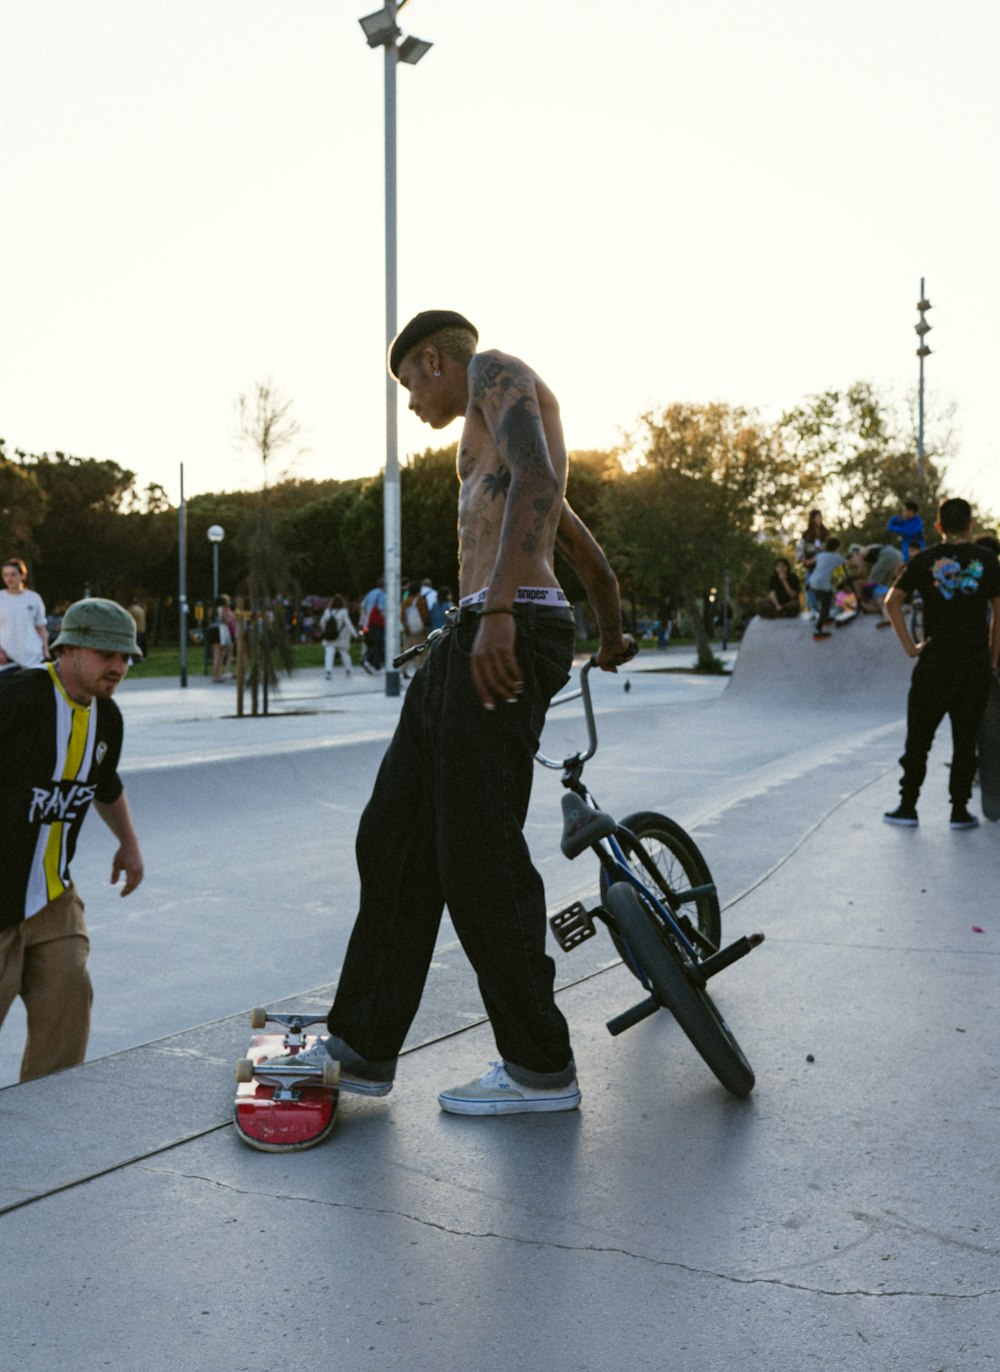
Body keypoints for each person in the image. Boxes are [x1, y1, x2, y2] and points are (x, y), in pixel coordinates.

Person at [267, 308, 633, 1115]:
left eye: (408, 387)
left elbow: (540, 484)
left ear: (434, 360)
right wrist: (609, 623)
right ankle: (362, 1045)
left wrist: (499, 610)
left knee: (476, 849)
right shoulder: (484, 441)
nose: (411, 409)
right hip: (469, 635)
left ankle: (540, 1067)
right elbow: (569, 532)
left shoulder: (496, 374)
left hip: (504, 629)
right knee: (394, 829)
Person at [0, 598, 145, 1081]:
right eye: (108, 654)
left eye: (126, 657)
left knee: (69, 1009)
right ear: (70, 649)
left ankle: (48, 1133)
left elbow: (104, 785)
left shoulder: (108, 717)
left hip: (54, 899)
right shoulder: (19, 697)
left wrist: (129, 845)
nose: (119, 666)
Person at [882, 497, 1000, 830]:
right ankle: (959, 811)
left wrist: (911, 647)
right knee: (966, 741)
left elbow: (892, 602)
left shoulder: (925, 560)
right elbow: (999, 614)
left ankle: (907, 807)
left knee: (918, 739)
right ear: (970, 524)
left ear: (938, 526)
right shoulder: (989, 560)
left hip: (933, 665)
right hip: (974, 665)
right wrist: (991, 658)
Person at [0, 558, 49, 671]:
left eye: (13, 574)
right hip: (7, 661)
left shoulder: (34, 598)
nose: (9, 578)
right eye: (6, 575)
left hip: (33, 658)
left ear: (22, 575)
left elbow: (41, 628)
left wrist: (45, 651)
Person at [808, 537, 845, 639]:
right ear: (837, 547)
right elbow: (848, 563)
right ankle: (817, 629)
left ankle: (826, 617)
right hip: (822, 583)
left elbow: (809, 562)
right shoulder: (837, 557)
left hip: (813, 581)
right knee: (826, 605)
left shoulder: (821, 555)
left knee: (829, 596)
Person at [795, 511, 828, 616]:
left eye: (820, 517)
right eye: (817, 517)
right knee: (810, 586)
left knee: (824, 587)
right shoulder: (806, 535)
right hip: (810, 565)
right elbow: (800, 549)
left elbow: (829, 547)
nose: (819, 519)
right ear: (812, 519)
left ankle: (826, 608)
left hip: (823, 565)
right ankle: (812, 609)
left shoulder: (825, 533)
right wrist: (804, 560)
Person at [320, 595, 358, 679]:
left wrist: (325, 630)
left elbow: (322, 623)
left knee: (329, 654)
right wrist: (354, 634)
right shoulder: (344, 611)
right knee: (344, 653)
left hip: (329, 636)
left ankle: (328, 672)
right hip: (341, 637)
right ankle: (348, 670)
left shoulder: (327, 611)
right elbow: (348, 623)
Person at [359, 578, 386, 674]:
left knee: (371, 642)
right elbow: (381, 609)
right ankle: (370, 661)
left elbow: (362, 606)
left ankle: (373, 663)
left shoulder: (370, 593)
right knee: (378, 643)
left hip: (367, 623)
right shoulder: (382, 594)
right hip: (377, 623)